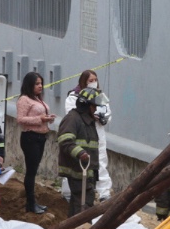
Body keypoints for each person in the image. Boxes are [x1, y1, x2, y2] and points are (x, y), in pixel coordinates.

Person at [63, 70, 112, 201]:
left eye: (95, 79)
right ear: (83, 81)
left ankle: (104, 192)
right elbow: (72, 113)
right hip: (82, 134)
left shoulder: (100, 96)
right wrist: (89, 115)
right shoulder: (74, 96)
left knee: (101, 161)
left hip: (98, 133)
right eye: (90, 80)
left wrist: (103, 118)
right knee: (77, 165)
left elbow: (107, 111)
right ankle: (70, 193)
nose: (93, 82)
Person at [16, 71, 57, 214]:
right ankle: (30, 203)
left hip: (41, 137)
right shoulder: (24, 99)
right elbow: (20, 119)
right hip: (30, 137)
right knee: (31, 172)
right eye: (37, 84)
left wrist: (48, 118)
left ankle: (33, 202)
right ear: (30, 85)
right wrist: (40, 119)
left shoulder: (38, 99)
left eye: (41, 83)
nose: (40, 86)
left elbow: (40, 116)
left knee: (34, 170)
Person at [57, 87, 101, 216]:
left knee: (80, 202)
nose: (96, 109)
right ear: (86, 105)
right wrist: (80, 153)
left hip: (87, 170)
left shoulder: (87, 120)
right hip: (78, 171)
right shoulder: (73, 119)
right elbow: (65, 140)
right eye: (94, 106)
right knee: (83, 203)